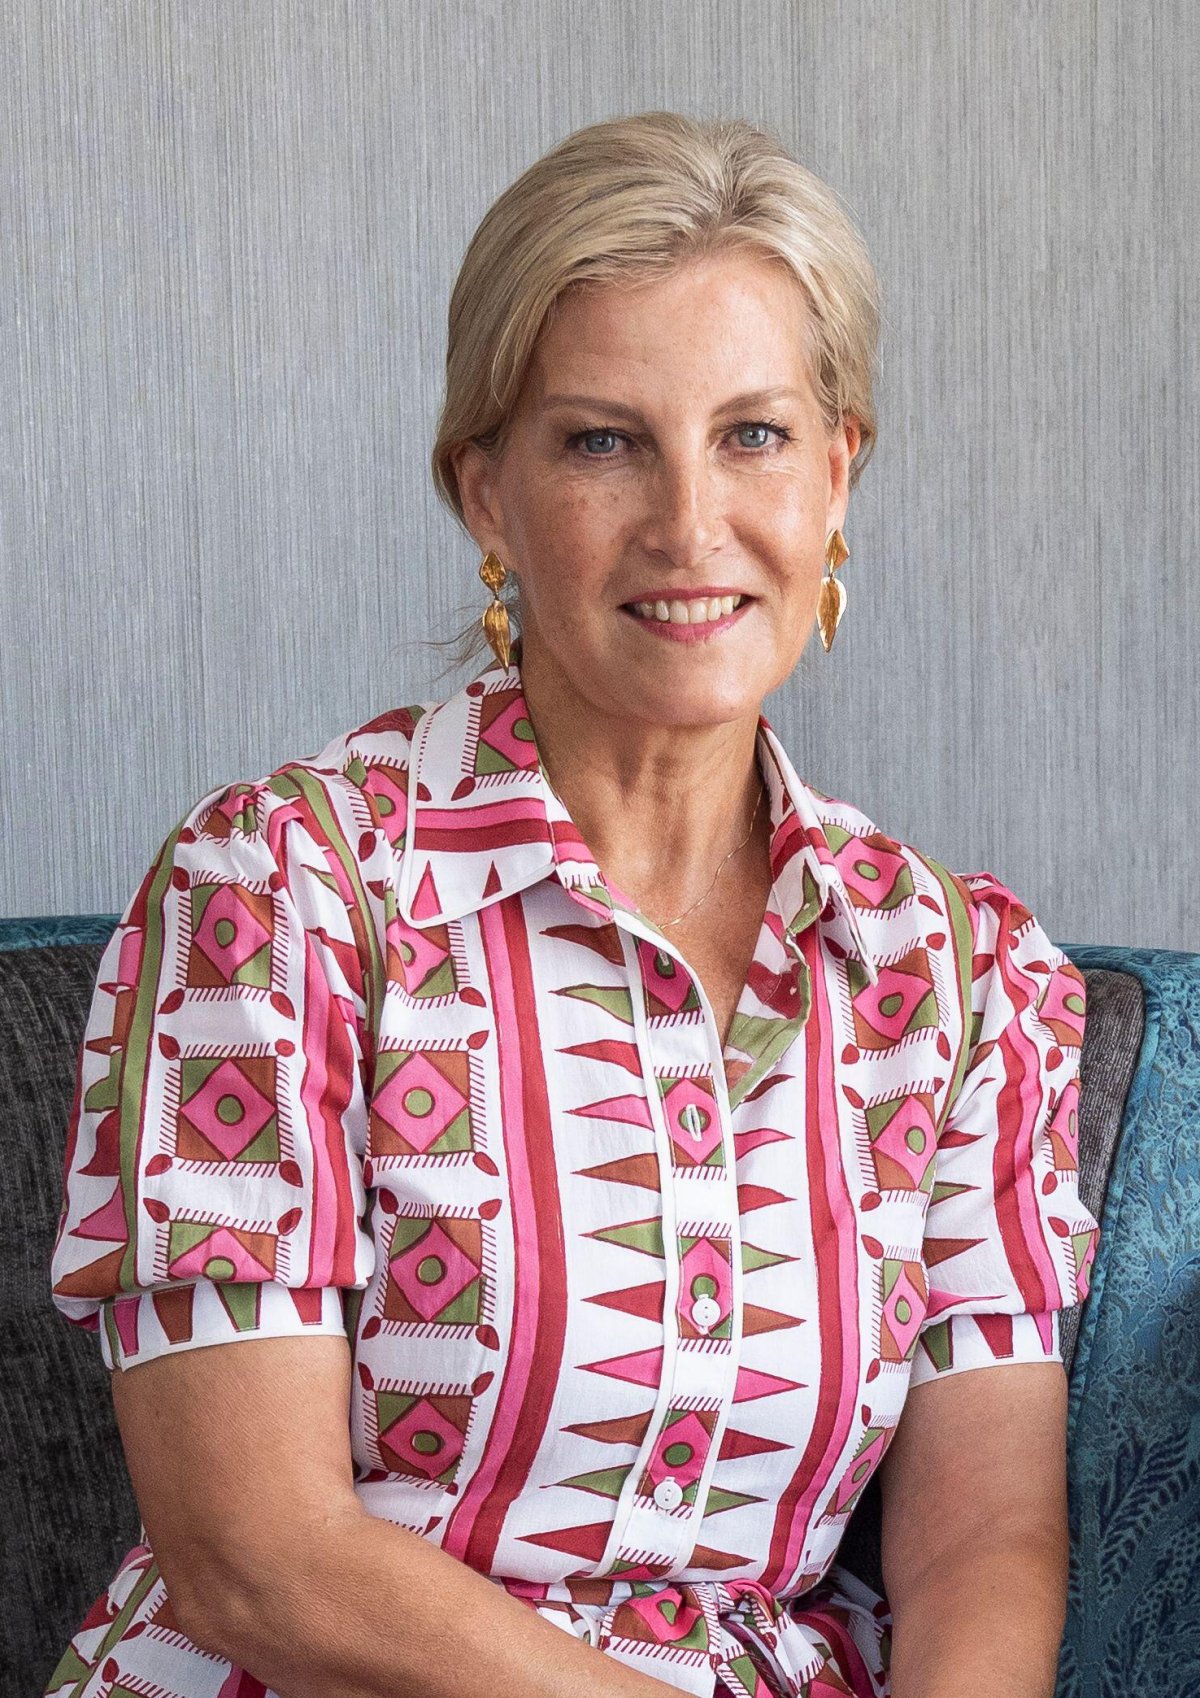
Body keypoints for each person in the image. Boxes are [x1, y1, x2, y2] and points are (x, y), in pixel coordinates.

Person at [46, 111, 1100, 1698]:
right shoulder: (280, 895)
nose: (690, 525)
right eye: (603, 440)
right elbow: (256, 1556)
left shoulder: (958, 980)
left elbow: (981, 1544)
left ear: (838, 471)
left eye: (752, 434)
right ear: (487, 495)